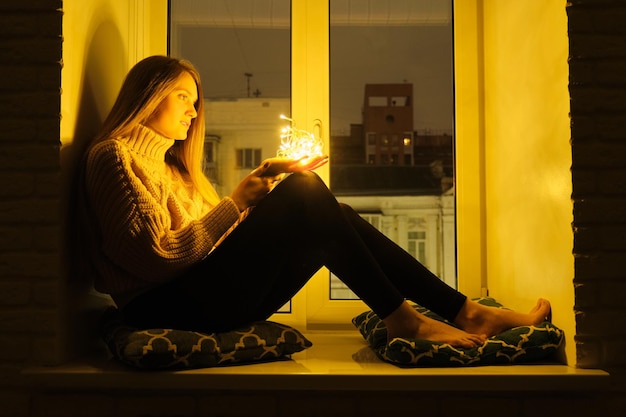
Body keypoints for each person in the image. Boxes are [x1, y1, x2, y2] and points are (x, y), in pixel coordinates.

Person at [77, 55, 551, 349]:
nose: (193, 110)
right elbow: (157, 258)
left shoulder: (175, 167)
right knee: (305, 193)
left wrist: (255, 201)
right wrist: (238, 201)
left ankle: (464, 311)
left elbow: (209, 249)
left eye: (196, 100)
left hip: (202, 298)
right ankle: (405, 318)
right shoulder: (114, 158)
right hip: (163, 307)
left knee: (333, 213)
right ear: (147, 96)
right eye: (182, 96)